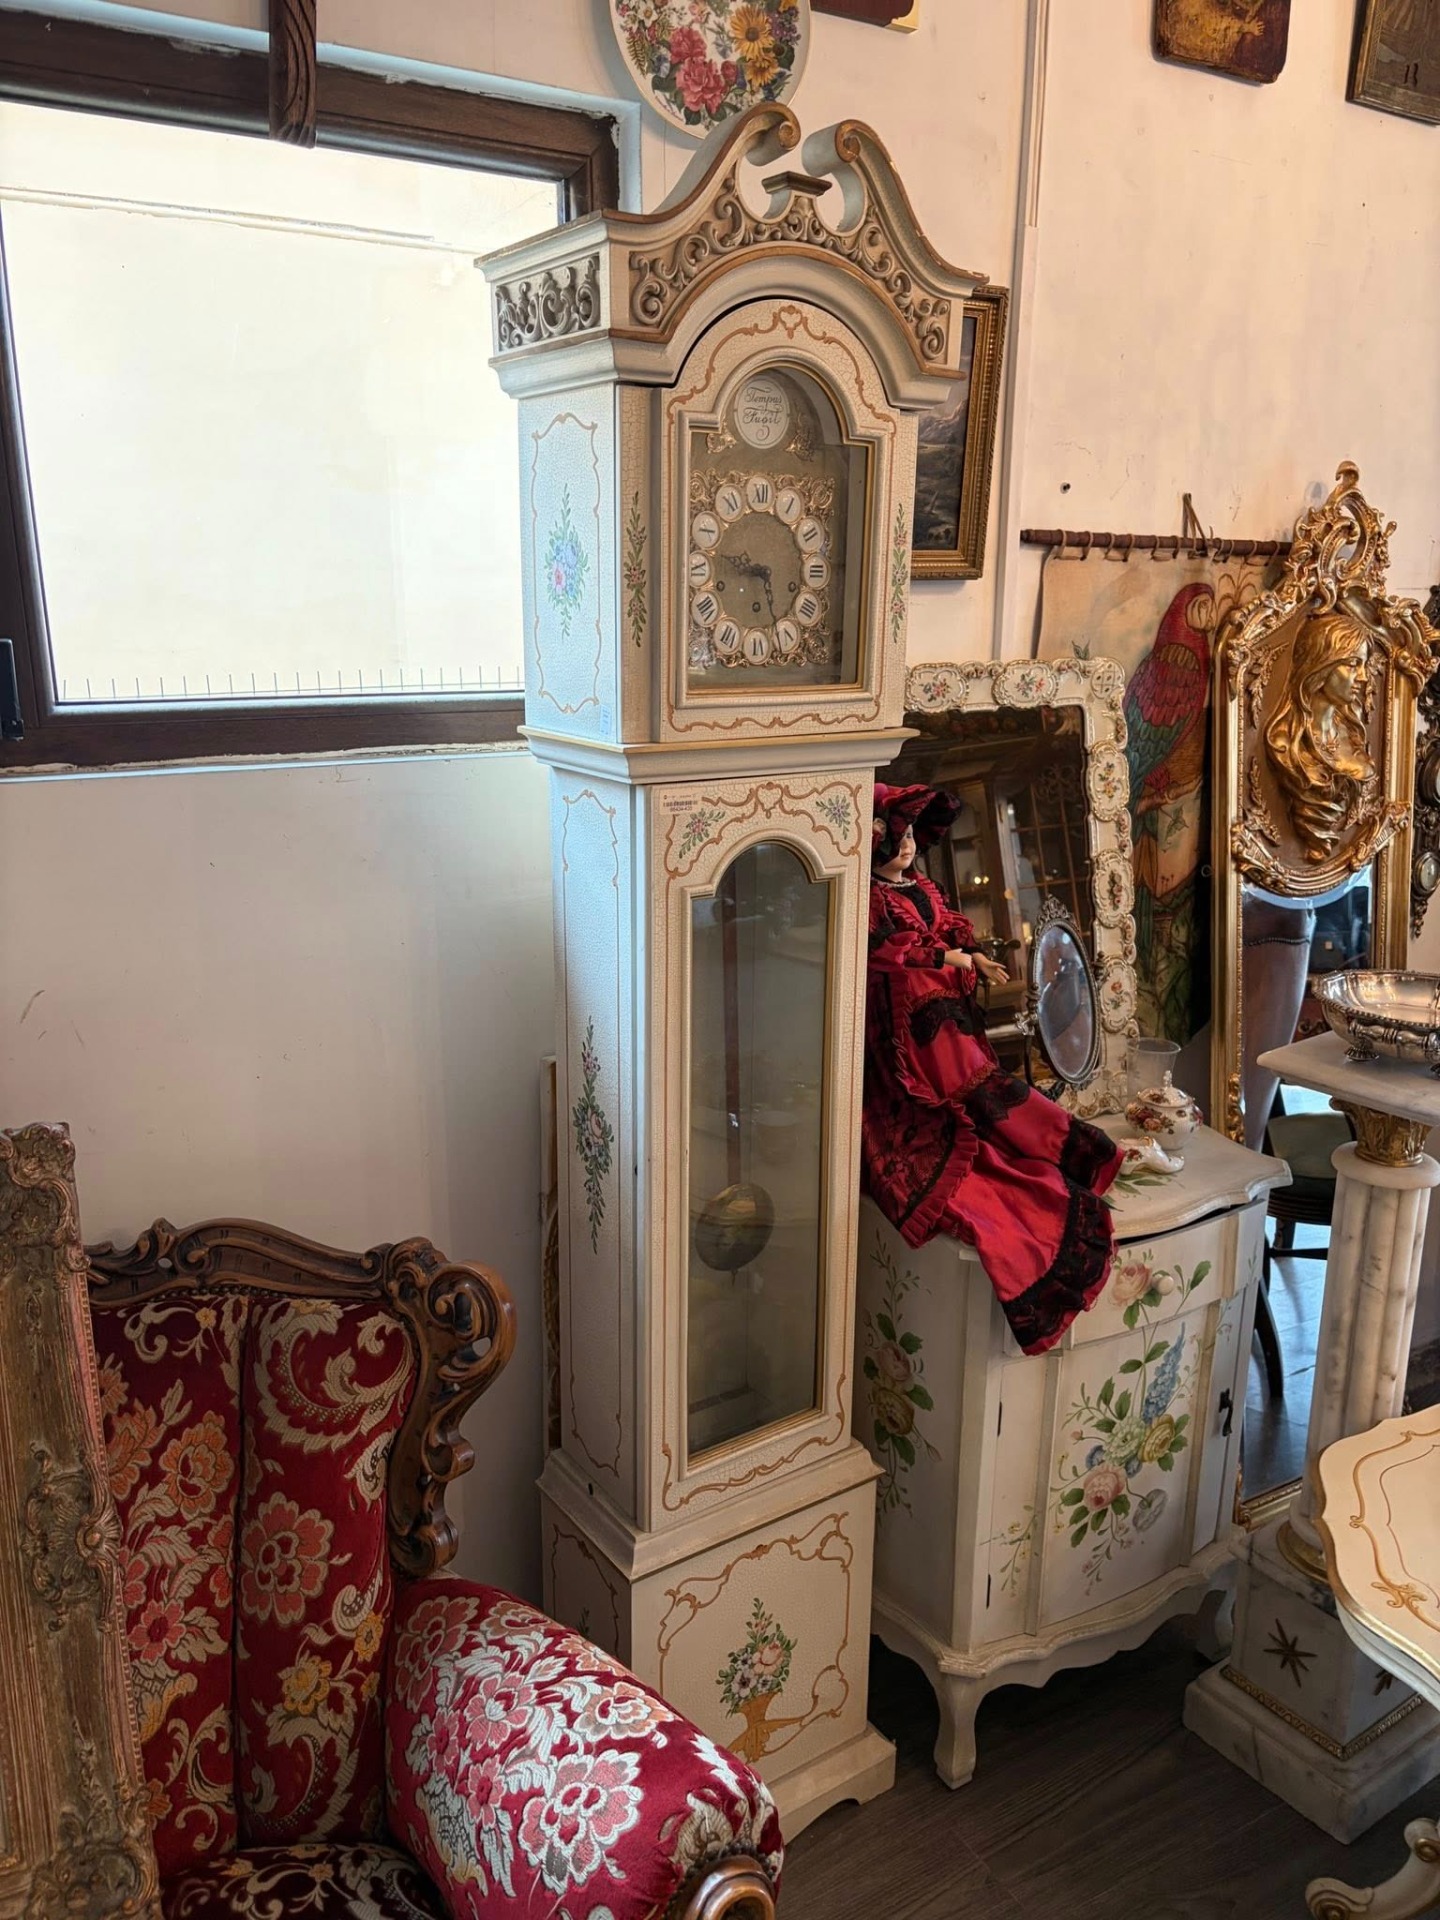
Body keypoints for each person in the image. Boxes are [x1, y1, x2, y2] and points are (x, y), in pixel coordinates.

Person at [863, 781, 1125, 1355]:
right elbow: (886, 950)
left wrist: (974, 955)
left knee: (983, 1087)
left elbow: (951, 926)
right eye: (896, 839)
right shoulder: (872, 901)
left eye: (911, 839)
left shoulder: (921, 888)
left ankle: (1067, 1151)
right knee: (957, 1096)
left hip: (949, 1013)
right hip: (909, 1023)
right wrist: (948, 955)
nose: (906, 848)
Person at [1263, 609, 1376, 863]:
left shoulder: (1352, 736)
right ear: (1321, 665)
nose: (1363, 677)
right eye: (1353, 665)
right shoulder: (1283, 744)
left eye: (1364, 666)